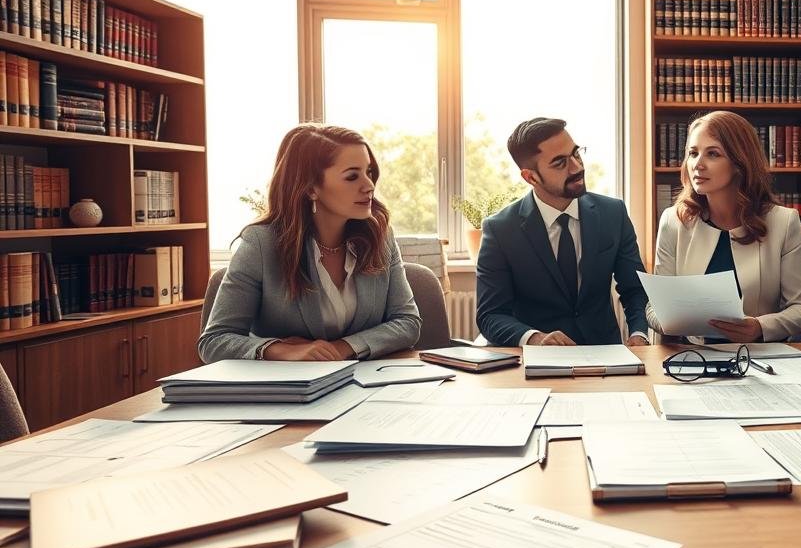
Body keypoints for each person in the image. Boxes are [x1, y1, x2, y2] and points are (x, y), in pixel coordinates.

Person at [199, 124, 421, 363]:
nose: (369, 185)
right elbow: (214, 341)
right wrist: (280, 350)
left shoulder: (380, 236)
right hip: (288, 394)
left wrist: (341, 348)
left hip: (366, 388)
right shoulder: (261, 244)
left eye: (369, 172)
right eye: (352, 176)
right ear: (311, 188)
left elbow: (408, 322)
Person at [475, 117, 650, 347]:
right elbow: (490, 315)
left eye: (576, 154)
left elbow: (635, 289)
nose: (577, 167)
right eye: (559, 163)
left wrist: (639, 334)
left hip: (604, 355)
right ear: (531, 177)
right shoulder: (500, 230)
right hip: (537, 364)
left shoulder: (613, 214)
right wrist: (534, 338)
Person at [649, 111, 801, 343]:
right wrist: (674, 319)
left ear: (740, 163)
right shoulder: (673, 221)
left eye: (713, 154)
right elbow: (655, 308)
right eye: (693, 153)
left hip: (760, 359)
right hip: (695, 359)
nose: (698, 164)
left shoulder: (783, 222)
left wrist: (760, 326)